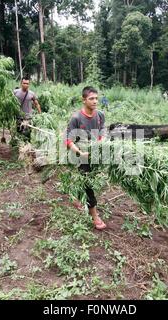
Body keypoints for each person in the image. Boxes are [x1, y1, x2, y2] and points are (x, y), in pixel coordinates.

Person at [65, 86, 107, 231]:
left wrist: (101, 141)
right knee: (88, 183)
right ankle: (94, 215)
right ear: (84, 100)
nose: (95, 101)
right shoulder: (76, 118)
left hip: (95, 153)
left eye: (96, 98)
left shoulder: (100, 115)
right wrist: (80, 153)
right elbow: (68, 140)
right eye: (91, 99)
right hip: (81, 155)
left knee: (88, 178)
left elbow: (103, 130)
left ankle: (76, 197)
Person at [13, 75, 42, 142]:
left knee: (27, 134)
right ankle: (19, 148)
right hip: (19, 117)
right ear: (21, 83)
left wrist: (40, 115)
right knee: (19, 133)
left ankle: (27, 148)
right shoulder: (15, 92)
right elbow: (10, 102)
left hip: (28, 117)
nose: (25, 85)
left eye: (27, 84)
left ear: (29, 84)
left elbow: (37, 104)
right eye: (24, 83)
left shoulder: (31, 94)